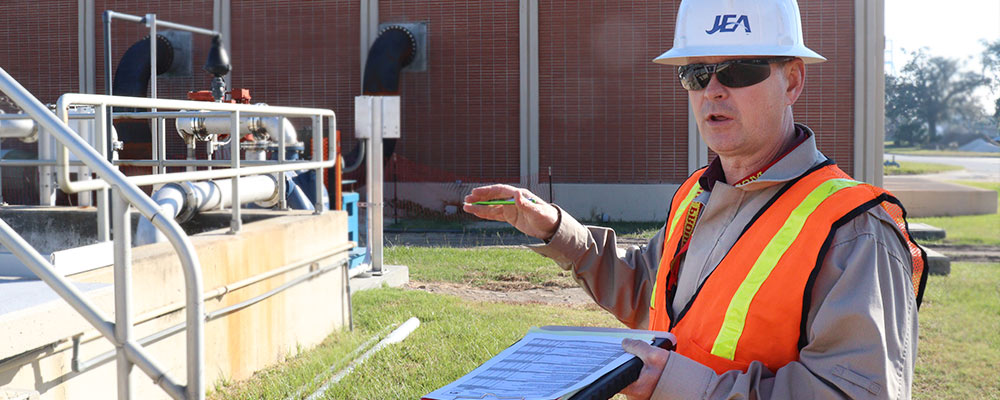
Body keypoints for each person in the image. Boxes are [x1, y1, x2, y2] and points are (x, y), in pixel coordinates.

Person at [463, 0, 927, 399]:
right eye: (697, 73)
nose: (714, 90)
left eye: (739, 69)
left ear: (792, 82)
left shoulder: (853, 230)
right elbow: (652, 295)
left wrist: (681, 385)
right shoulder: (697, 195)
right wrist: (554, 230)